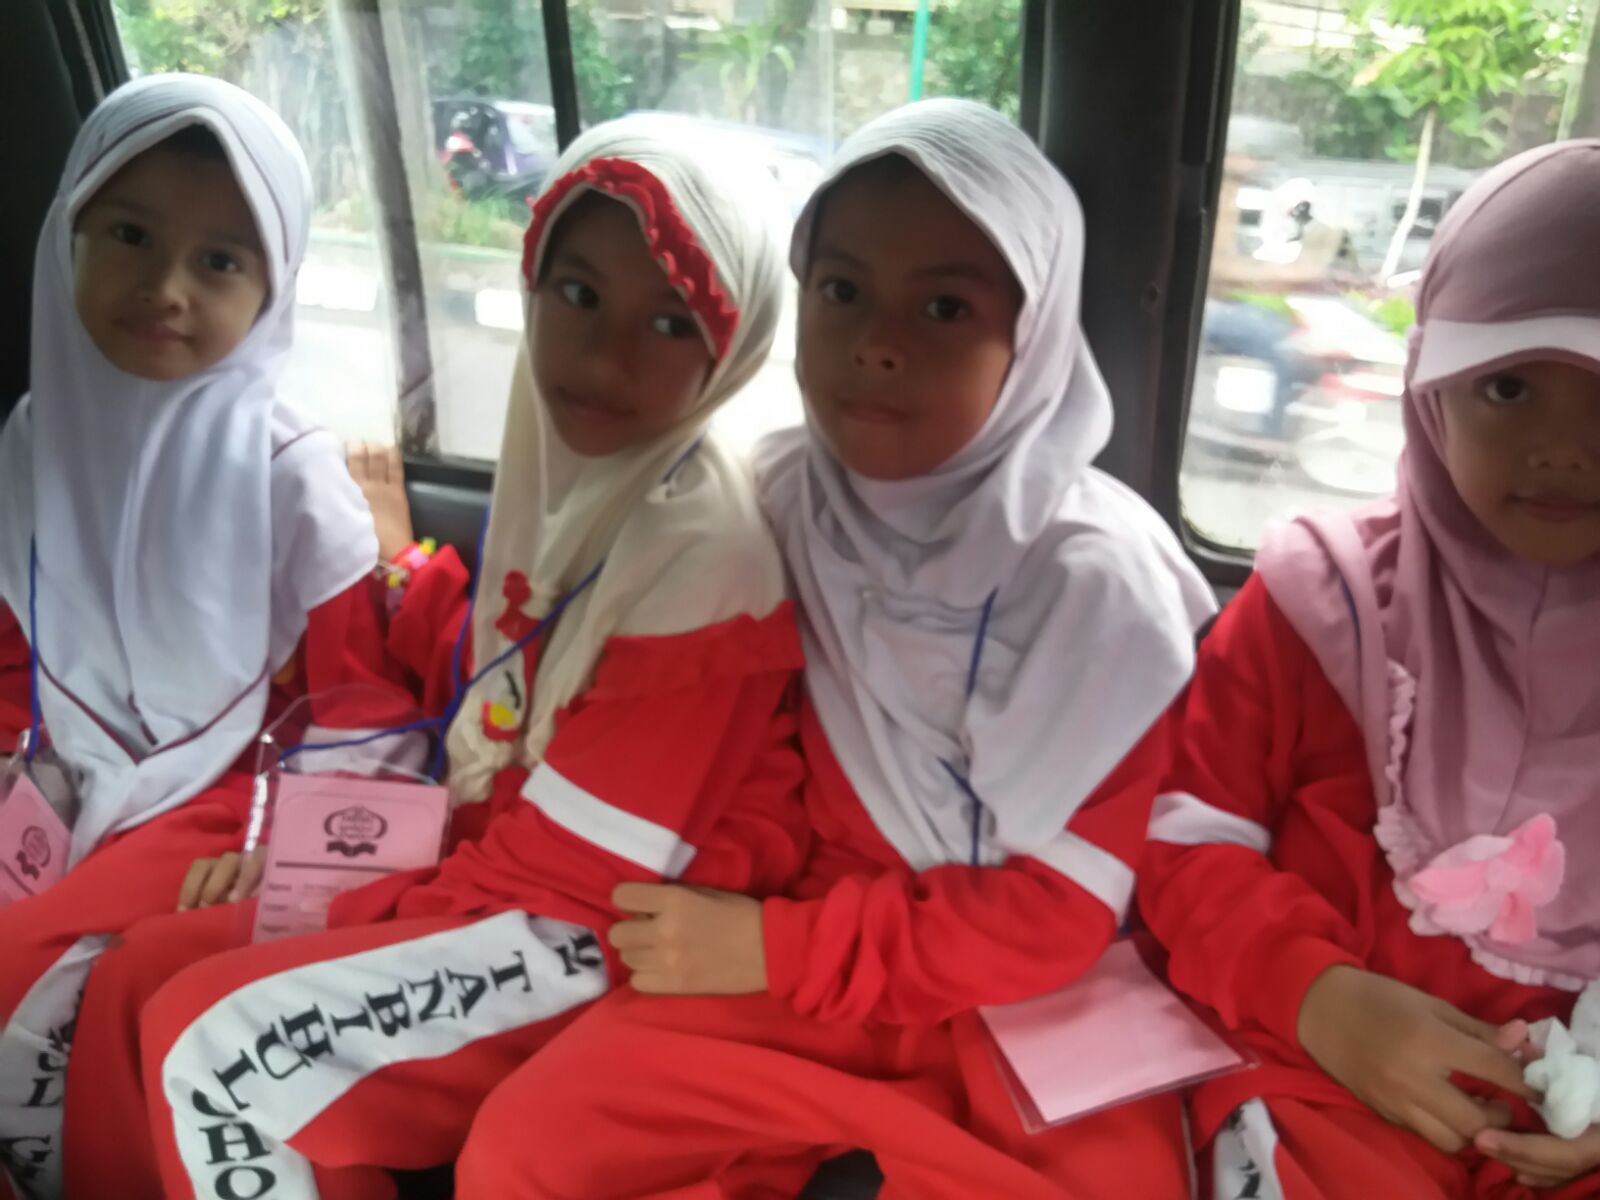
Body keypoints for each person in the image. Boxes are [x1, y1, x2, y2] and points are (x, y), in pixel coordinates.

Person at [450, 98, 1215, 1199]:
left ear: (1033, 333)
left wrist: (780, 951)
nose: (876, 344)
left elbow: (1058, 917)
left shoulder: (1093, 585)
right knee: (532, 1150)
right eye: (842, 291)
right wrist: (743, 923)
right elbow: (746, 762)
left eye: (945, 307)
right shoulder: (769, 501)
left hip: (1025, 988)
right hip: (798, 957)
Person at [82, 114, 811, 1200]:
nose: (606, 354)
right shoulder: (566, 488)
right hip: (511, 871)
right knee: (144, 965)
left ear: (732, 347)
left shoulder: (703, 556)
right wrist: (316, 870)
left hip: (605, 928)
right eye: (578, 295)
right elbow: (492, 705)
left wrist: (344, 899)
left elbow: (576, 877)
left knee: (218, 1049)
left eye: (670, 322)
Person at [0, 74, 460, 1200]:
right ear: (67, 235)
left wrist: (290, 845)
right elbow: (21, 648)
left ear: (274, 284)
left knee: (29, 965)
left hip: (230, 790)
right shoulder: (33, 439)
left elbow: (359, 700)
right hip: (69, 769)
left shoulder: (287, 471)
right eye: (130, 236)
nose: (165, 288)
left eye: (218, 260)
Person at [1140, 139, 1600, 1199]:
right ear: (1430, 388)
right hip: (1323, 1071)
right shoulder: (1321, 606)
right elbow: (1186, 841)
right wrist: (1315, 995)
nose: (1563, 448)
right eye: (1507, 387)